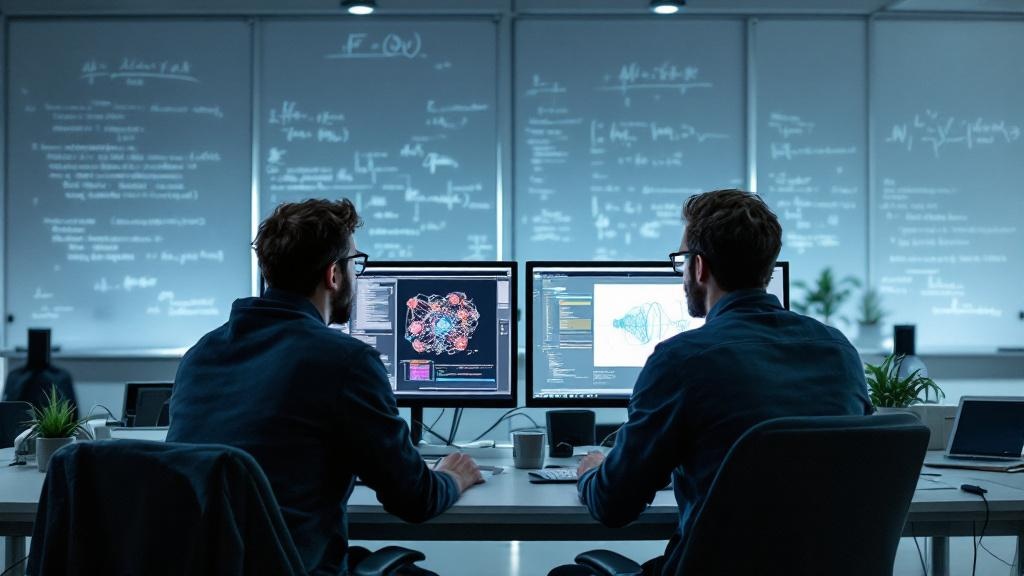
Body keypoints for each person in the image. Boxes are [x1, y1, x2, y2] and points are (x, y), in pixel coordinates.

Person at [551, 189, 872, 576]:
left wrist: (590, 470)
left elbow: (613, 505)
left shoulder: (681, 360)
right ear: (767, 268)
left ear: (699, 267)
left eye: (682, 261)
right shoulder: (838, 350)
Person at [168, 198, 482, 576]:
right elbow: (415, 500)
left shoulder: (201, 354)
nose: (358, 274)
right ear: (334, 275)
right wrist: (452, 475)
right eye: (355, 262)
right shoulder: (345, 361)